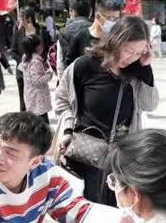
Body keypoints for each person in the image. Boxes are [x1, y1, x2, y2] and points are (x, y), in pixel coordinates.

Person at [55, 16, 159, 206]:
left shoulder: (136, 73)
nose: (131, 58)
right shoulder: (84, 66)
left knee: (117, 214)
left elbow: (149, 105)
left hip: (121, 159)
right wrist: (68, 129)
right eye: (128, 50)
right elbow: (61, 100)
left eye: (137, 53)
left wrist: (146, 68)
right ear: (115, 40)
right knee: (85, 213)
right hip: (86, 155)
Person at [11, 8, 52, 112]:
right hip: (22, 70)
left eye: (21, 17)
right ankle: (25, 122)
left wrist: (41, 59)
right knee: (24, 98)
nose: (19, 20)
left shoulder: (41, 32)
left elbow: (47, 48)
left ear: (28, 19)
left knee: (39, 97)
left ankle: (41, 118)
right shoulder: (18, 33)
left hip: (38, 69)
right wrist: (23, 61)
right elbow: (13, 51)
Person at [65, 0, 122, 66]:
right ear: (97, 16)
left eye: (116, 19)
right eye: (109, 18)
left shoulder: (117, 38)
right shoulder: (80, 36)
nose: (113, 22)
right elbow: (70, 64)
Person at [22, 34, 54, 121]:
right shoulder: (35, 61)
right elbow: (37, 81)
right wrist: (49, 74)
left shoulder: (26, 57)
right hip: (38, 98)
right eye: (41, 44)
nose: (42, 46)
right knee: (42, 123)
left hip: (30, 94)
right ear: (37, 47)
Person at [57, 0, 92, 75]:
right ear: (90, 12)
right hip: (91, 80)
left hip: (71, 77)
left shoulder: (63, 32)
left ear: (72, 12)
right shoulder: (95, 29)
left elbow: (60, 63)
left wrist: (63, 81)